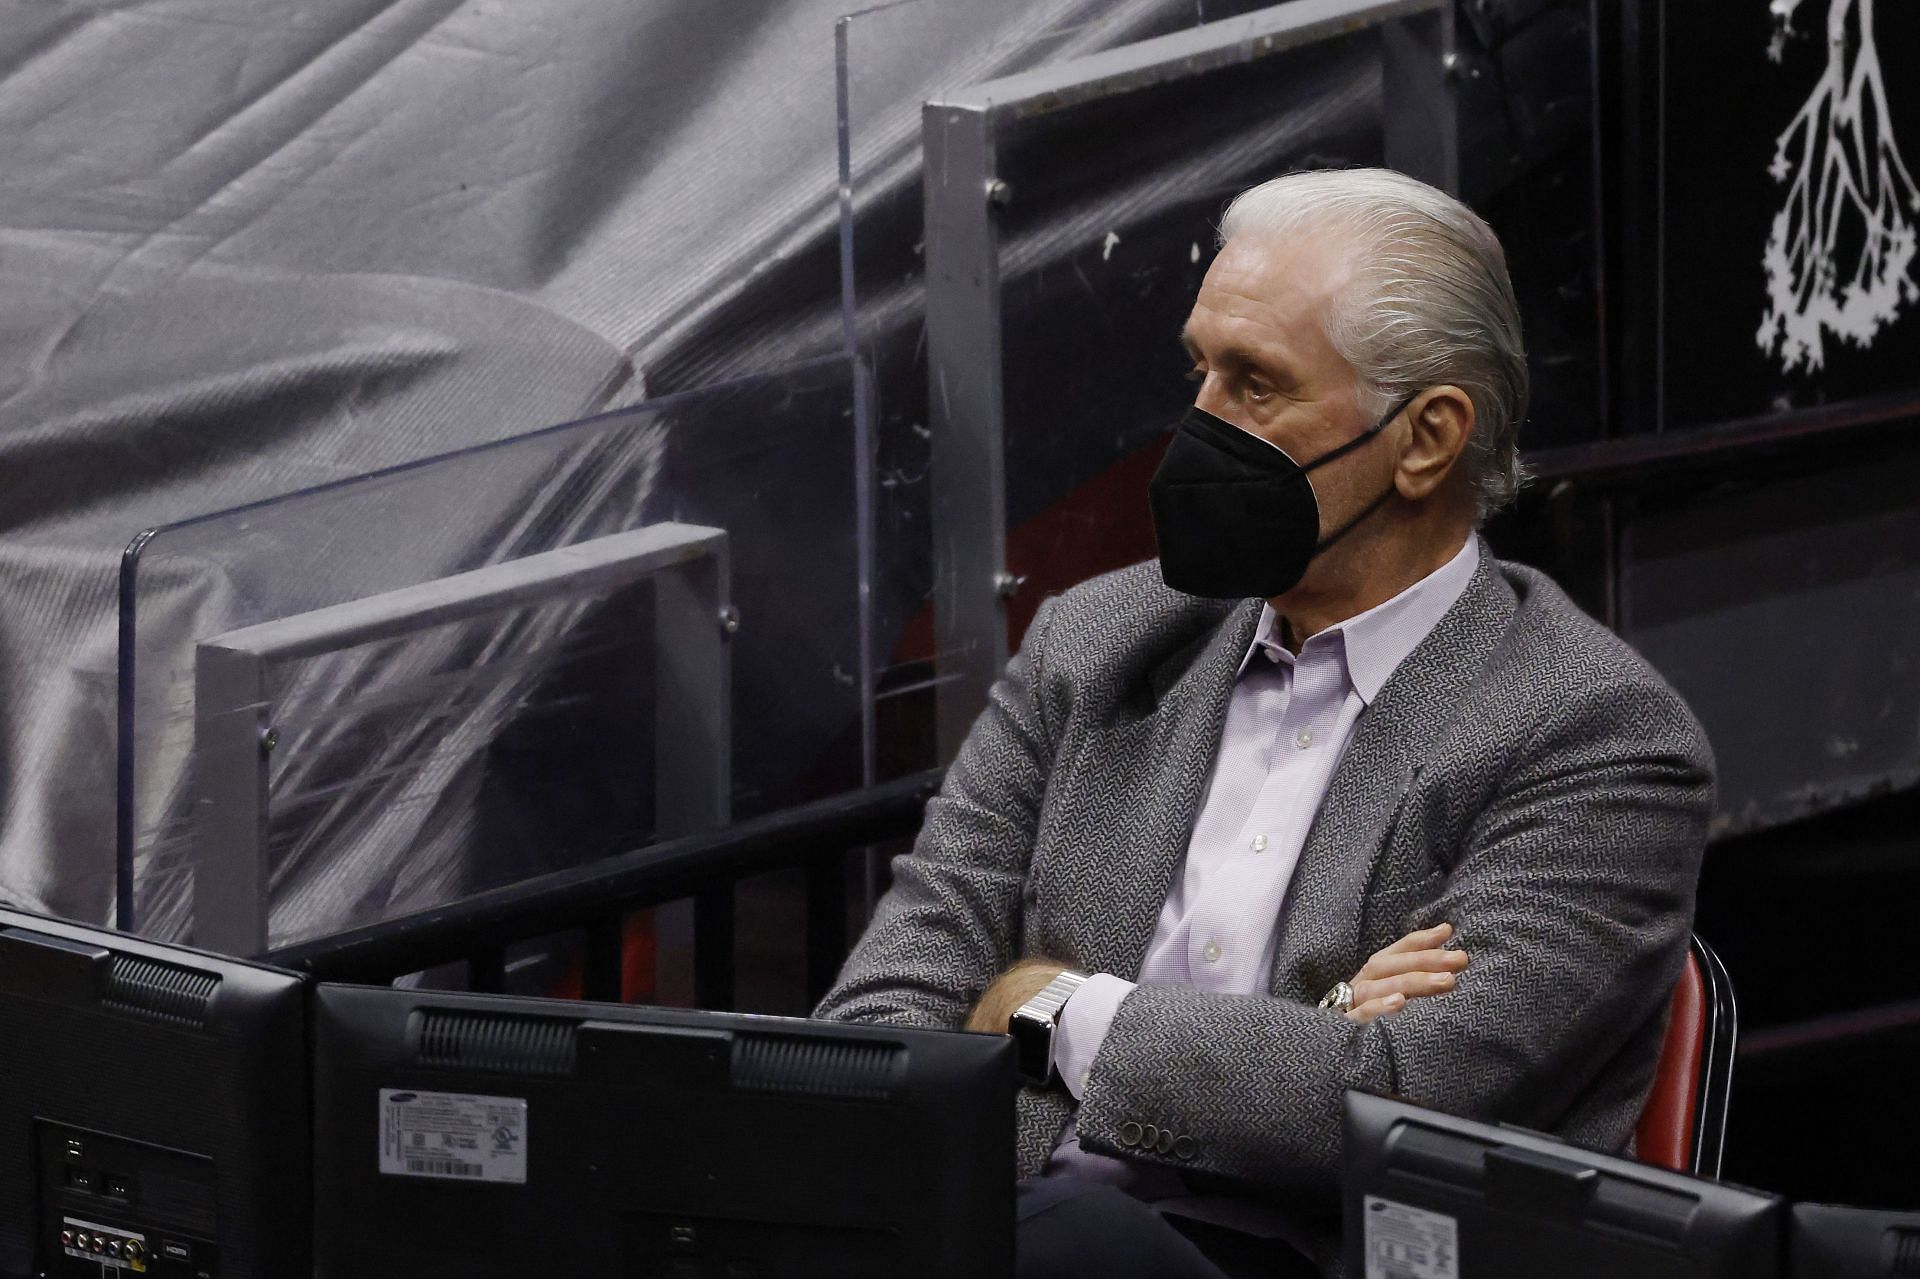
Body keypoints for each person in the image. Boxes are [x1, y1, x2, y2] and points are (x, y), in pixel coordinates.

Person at [814, 168, 1714, 1278]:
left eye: (1255, 385)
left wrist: (1040, 1002)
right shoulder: (1097, 641)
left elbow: (1400, 1099)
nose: (1199, 426)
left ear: (1425, 438)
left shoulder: (1595, 734)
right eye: (1200, 371)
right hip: (1025, 1226)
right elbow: (886, 1009)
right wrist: (1320, 1024)